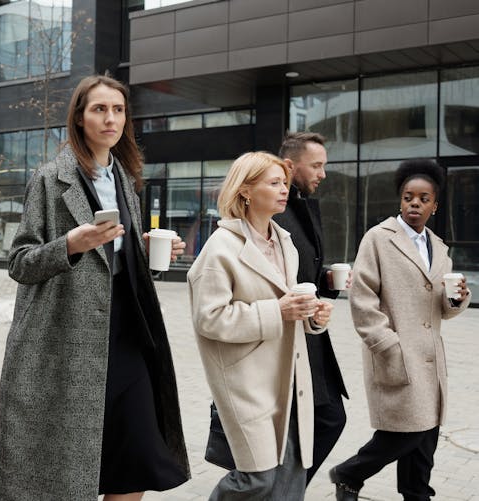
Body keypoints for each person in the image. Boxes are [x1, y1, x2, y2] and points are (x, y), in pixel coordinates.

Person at [0, 74, 190, 501]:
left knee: (136, 460)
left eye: (118, 110)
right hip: (66, 343)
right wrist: (70, 245)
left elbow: (117, 261)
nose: (110, 119)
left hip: (128, 334)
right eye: (99, 109)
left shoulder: (127, 182)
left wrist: (151, 253)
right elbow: (20, 262)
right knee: (67, 472)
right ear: (79, 118)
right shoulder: (50, 179)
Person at [188, 151, 334, 499]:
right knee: (257, 478)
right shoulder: (220, 248)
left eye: (285, 182)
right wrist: (278, 312)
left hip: (290, 376)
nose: (284, 189)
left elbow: (288, 305)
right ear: (246, 191)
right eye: (274, 183)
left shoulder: (284, 242)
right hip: (245, 381)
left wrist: (313, 318)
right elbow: (209, 318)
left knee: (291, 479)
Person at [329, 159, 471, 501]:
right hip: (396, 353)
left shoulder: (438, 248)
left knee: (426, 436)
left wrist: (457, 300)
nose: (415, 204)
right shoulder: (378, 239)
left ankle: (416, 493)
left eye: (423, 199)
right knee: (405, 432)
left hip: (430, 359)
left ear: (435, 205)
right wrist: (386, 343)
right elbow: (362, 299)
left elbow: (441, 308)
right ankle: (349, 474)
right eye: (409, 197)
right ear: (400, 200)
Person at [275, 132, 349, 483]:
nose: (323, 174)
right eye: (316, 165)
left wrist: (328, 282)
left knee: (329, 418)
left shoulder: (302, 206)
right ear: (291, 166)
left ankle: (286, 489)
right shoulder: (274, 211)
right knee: (322, 420)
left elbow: (305, 271)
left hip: (312, 335)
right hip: (286, 338)